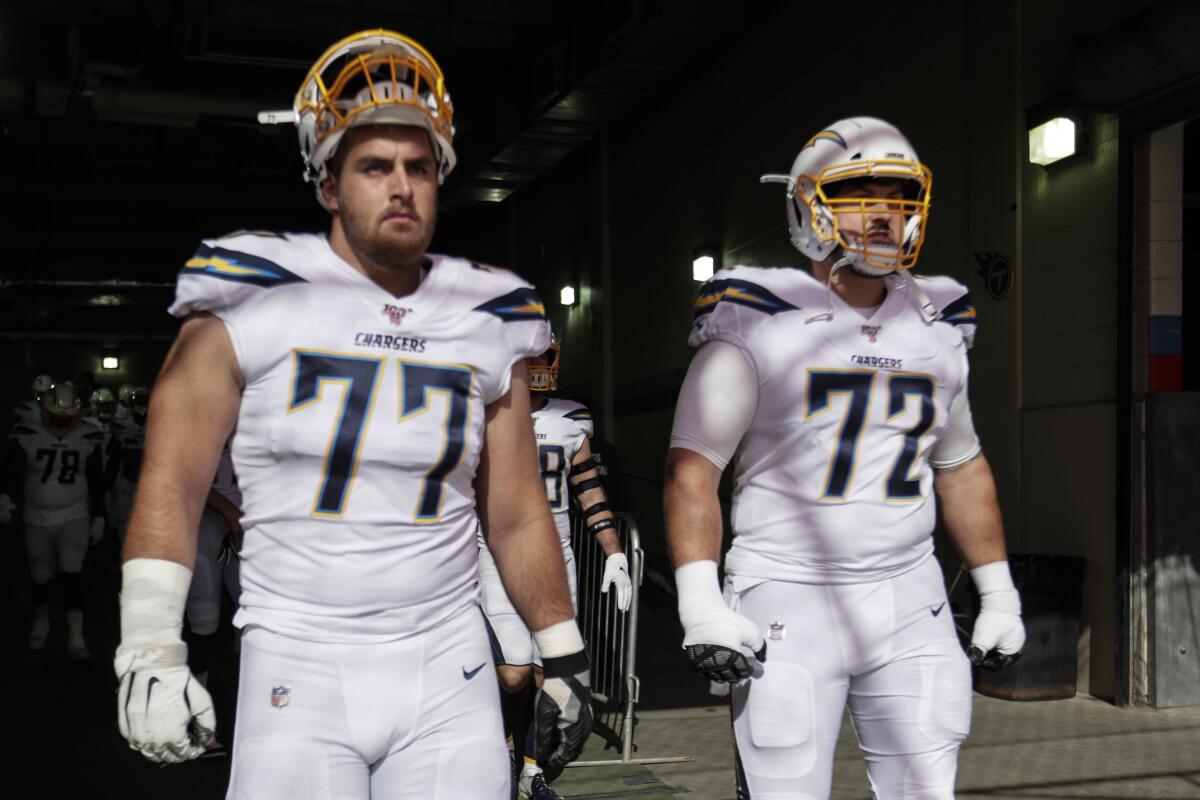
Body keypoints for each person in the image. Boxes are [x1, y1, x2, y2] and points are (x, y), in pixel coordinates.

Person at [112, 29, 592, 799]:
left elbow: (515, 512)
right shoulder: (249, 293)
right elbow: (172, 483)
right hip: (298, 661)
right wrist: (148, 649)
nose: (401, 186)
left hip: (448, 663)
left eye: (419, 165)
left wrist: (561, 652)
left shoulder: (488, 312)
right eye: (374, 166)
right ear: (328, 183)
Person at [663, 116, 1026, 800]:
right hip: (789, 591)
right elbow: (694, 470)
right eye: (863, 193)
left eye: (897, 195)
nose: (885, 213)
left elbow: (961, 465)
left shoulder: (939, 326)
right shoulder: (757, 318)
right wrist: (699, 600)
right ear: (809, 202)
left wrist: (997, 590)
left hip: (910, 594)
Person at [478, 339, 632, 800]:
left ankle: (530, 770)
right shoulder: (485, 411)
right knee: (513, 674)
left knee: (550, 677)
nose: (538, 364)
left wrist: (615, 552)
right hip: (496, 555)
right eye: (530, 356)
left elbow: (588, 489)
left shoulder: (571, 419)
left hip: (556, 555)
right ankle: (500, 752)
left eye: (544, 355)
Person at [2, 382, 106, 657]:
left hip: (74, 513)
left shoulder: (87, 436)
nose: (62, 424)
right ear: (44, 413)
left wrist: (99, 516)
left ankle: (75, 634)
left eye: (68, 419)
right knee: (39, 574)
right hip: (35, 516)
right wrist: (5, 496)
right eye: (57, 418)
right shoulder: (27, 433)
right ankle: (41, 622)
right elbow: (11, 470)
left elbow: (96, 479)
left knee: (73, 570)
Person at [104, 386, 148, 544]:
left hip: (151, 485)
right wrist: (108, 486)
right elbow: (114, 458)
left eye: (145, 400)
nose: (142, 404)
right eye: (138, 400)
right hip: (127, 483)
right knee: (123, 526)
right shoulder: (122, 425)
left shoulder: (159, 423)